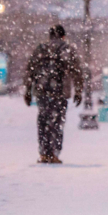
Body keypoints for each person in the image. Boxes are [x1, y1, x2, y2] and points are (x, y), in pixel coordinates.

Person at [24, 24, 84, 164]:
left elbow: (30, 70)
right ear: (63, 36)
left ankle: (44, 153)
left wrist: (27, 90)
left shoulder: (41, 48)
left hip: (42, 90)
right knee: (57, 122)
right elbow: (76, 71)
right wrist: (78, 91)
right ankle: (54, 154)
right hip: (60, 91)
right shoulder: (67, 49)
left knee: (43, 121)